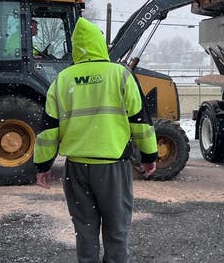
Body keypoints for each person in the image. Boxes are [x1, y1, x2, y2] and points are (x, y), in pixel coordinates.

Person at [33, 17, 157, 263]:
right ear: (100, 44)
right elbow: (140, 122)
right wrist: (149, 156)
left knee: (85, 231)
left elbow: (48, 131)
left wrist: (43, 166)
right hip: (113, 168)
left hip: (77, 169)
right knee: (116, 231)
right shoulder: (120, 75)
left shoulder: (62, 80)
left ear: (76, 46)